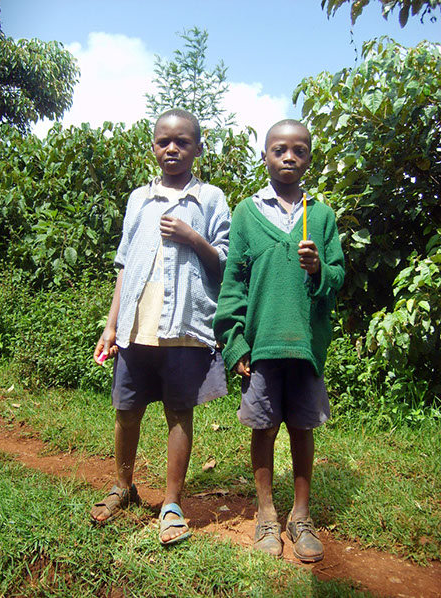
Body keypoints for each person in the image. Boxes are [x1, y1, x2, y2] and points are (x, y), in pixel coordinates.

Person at [90, 109, 230, 546]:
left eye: (182, 142)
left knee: (178, 412)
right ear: (153, 146)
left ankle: (171, 503)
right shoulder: (139, 199)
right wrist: (111, 326)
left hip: (186, 324)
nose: (172, 149)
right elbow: (123, 265)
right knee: (127, 409)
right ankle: (122, 486)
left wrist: (193, 238)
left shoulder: (211, 199)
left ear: (198, 149)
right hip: (137, 323)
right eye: (163, 141)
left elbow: (224, 263)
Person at [213, 119, 344, 561]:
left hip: (305, 346)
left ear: (309, 157)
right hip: (261, 344)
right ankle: (266, 513)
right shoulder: (246, 214)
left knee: (302, 428)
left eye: (299, 150)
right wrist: (233, 341)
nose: (289, 157)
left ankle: (300, 515)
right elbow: (233, 283)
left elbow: (340, 276)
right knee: (264, 427)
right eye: (279, 150)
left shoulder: (321, 216)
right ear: (265, 156)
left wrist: (318, 269)